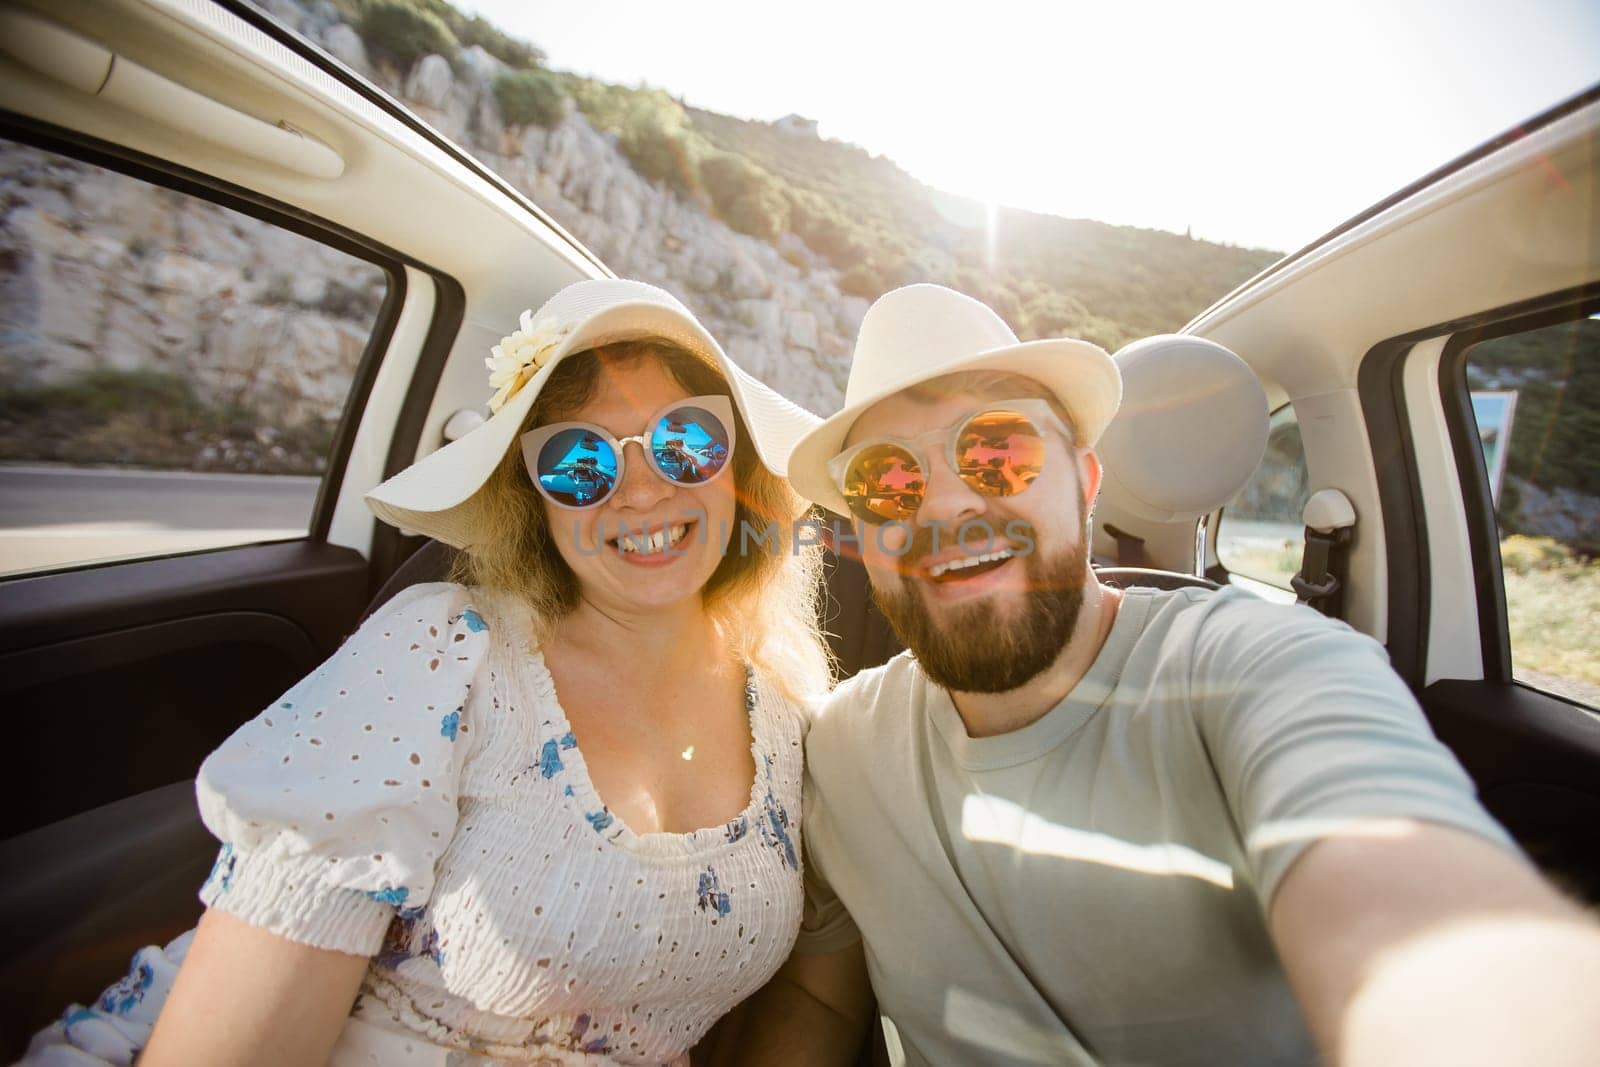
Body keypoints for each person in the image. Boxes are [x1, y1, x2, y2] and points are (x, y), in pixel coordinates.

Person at [739, 283, 1600, 1065]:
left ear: (1085, 481)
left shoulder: (1261, 669)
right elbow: (822, 993)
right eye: (887, 480)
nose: (949, 504)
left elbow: (1413, 920)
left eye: (997, 452)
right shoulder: (841, 749)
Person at [25, 279, 832, 1067]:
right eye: (579, 463)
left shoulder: (789, 712)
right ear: (535, 502)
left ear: (739, 467)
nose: (643, 490)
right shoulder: (444, 657)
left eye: (685, 442)